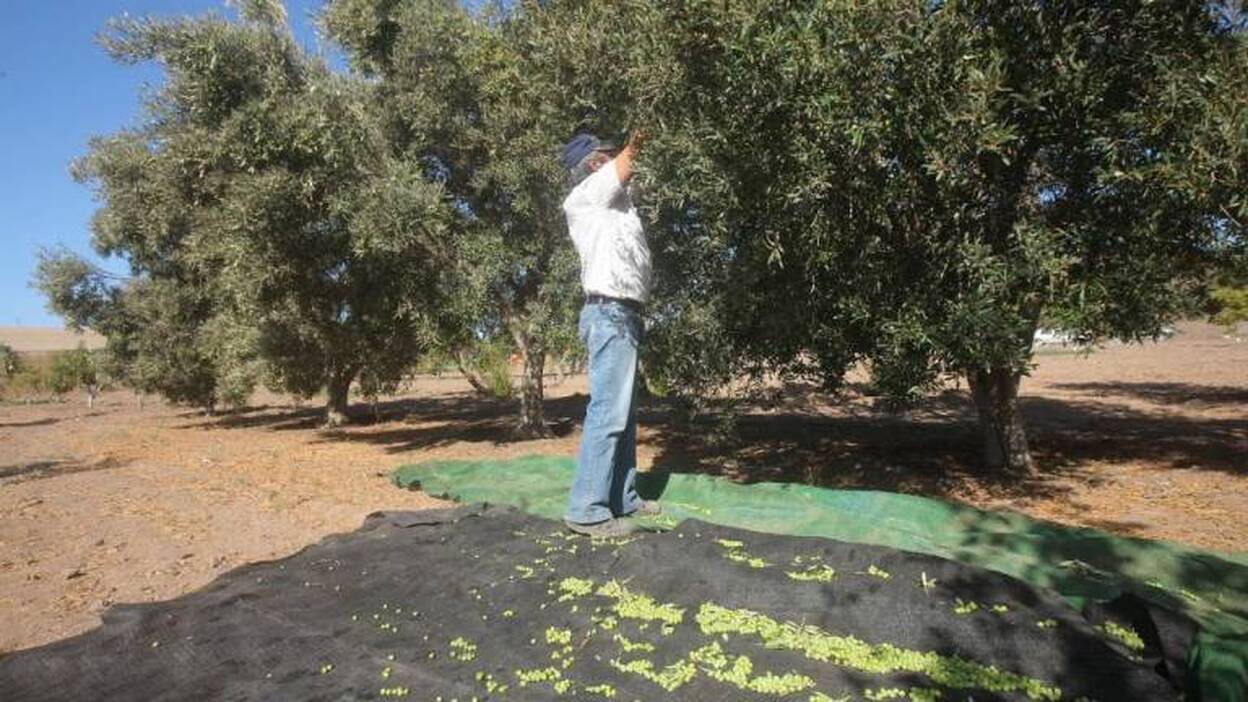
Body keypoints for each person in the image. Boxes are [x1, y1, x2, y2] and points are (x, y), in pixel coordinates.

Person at [559, 130, 660, 537]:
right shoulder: (587, 194)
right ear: (595, 163)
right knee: (608, 411)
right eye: (606, 154)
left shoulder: (615, 205)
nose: (613, 157)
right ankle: (586, 509)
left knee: (625, 414)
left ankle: (623, 498)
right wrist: (645, 132)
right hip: (610, 313)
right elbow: (629, 159)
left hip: (625, 313)